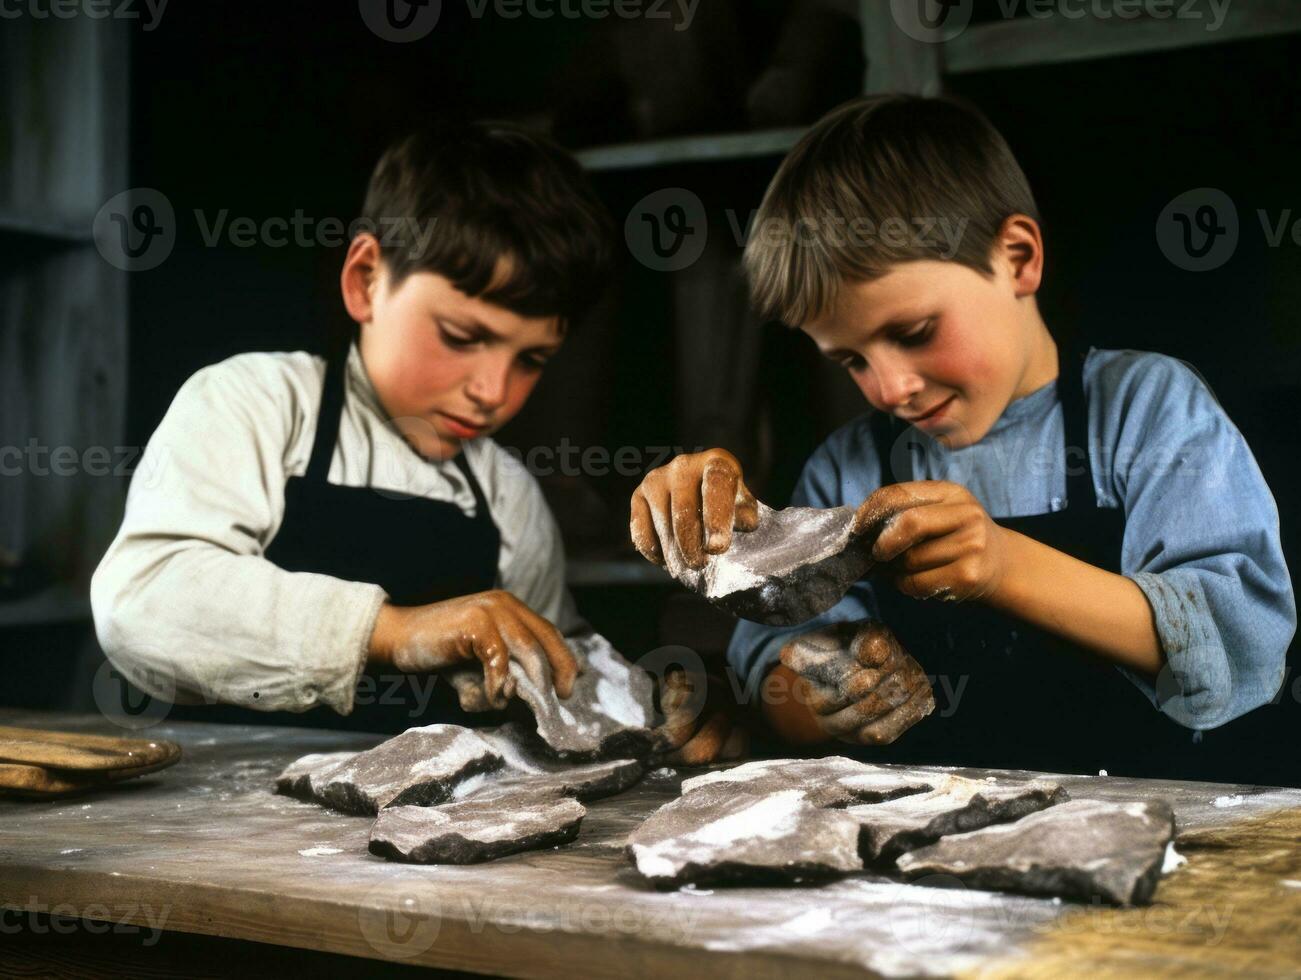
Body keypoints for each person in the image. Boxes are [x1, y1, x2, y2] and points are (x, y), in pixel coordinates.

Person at [630, 95, 1296, 779]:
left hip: (1149, 827)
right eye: (849, 360)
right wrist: (830, 696)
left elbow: (1239, 649)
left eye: (914, 333)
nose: (888, 389)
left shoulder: (1145, 409)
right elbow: (777, 672)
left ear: (1017, 258)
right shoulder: (851, 466)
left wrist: (1005, 567)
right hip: (929, 850)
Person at [91, 122, 712, 744]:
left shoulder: (504, 492)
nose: (493, 391)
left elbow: (557, 661)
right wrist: (399, 632)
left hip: (419, 827)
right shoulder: (257, 403)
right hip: (216, 823)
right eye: (463, 337)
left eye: (531, 360)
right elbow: (143, 603)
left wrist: (661, 710)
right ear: (365, 280)